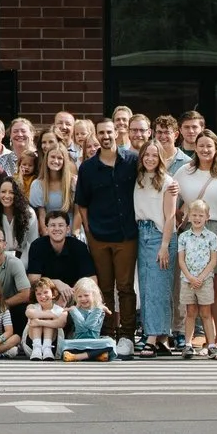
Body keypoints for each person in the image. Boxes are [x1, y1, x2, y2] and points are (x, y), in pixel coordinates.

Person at [72, 132, 142, 344]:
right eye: (101, 132)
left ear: (116, 134)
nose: (105, 136)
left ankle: (127, 335)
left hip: (126, 234)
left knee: (126, 287)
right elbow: (82, 203)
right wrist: (88, 229)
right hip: (99, 235)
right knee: (104, 288)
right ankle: (107, 333)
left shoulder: (131, 160)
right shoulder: (88, 167)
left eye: (109, 132)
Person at [132, 131, 181, 355]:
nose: (150, 159)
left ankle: (151, 338)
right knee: (146, 287)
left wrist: (164, 245)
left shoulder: (168, 182)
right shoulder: (138, 179)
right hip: (140, 234)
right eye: (147, 155)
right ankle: (162, 336)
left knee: (158, 288)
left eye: (155, 155)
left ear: (161, 158)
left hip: (159, 235)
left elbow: (170, 217)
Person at [173, 198, 217, 356]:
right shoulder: (184, 237)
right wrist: (190, 276)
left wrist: (201, 277)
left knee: (206, 312)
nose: (197, 218)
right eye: (194, 215)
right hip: (188, 280)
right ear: (188, 216)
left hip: (205, 280)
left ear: (207, 217)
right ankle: (188, 344)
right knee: (190, 311)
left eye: (201, 215)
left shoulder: (211, 237)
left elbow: (213, 260)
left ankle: (211, 344)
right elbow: (181, 259)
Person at [24, 208, 94, 302]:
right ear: (46, 229)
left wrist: (70, 294)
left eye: (61, 225)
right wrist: (56, 283)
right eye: (52, 225)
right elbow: (33, 281)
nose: (57, 229)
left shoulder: (79, 247)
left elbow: (92, 279)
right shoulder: (37, 246)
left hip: (75, 297)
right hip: (46, 297)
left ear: (68, 229)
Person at [62, 277, 116, 361]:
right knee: (64, 344)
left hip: (94, 343)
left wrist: (98, 308)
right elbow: (82, 328)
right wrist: (74, 310)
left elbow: (90, 326)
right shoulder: (75, 310)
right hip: (79, 343)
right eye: (80, 296)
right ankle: (96, 356)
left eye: (86, 295)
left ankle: (78, 357)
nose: (83, 299)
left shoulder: (98, 310)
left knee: (110, 342)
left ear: (93, 295)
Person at [24, 277, 68, 359]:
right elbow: (29, 313)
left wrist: (40, 322)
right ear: (35, 296)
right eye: (39, 294)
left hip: (53, 347)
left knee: (42, 318)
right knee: (37, 316)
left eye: (45, 292)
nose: (42, 296)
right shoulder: (32, 306)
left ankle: (47, 348)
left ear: (53, 293)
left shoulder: (59, 309)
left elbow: (61, 323)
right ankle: (37, 348)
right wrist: (53, 315)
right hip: (32, 345)